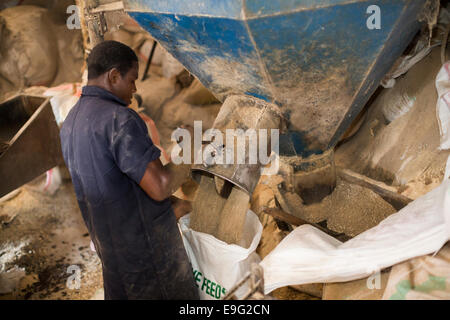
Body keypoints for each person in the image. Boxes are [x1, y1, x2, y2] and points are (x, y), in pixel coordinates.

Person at [60, 40, 199, 300]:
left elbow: (110, 183)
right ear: (114, 76)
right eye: (132, 80)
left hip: (112, 255)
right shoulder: (120, 120)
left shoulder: (71, 121)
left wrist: (175, 206)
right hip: (149, 259)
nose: (134, 90)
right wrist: (192, 156)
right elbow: (159, 186)